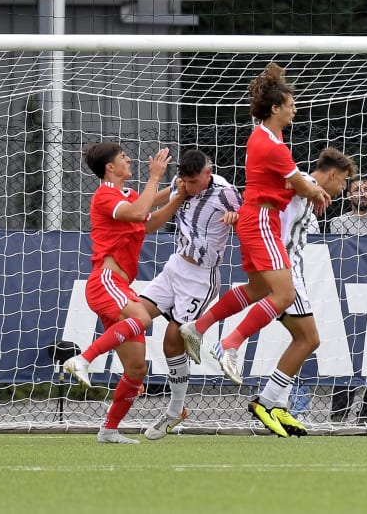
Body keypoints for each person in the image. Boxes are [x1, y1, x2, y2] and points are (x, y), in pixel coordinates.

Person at [179, 63, 332, 385]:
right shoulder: (273, 146)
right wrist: (315, 190)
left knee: (259, 288)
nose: (295, 109)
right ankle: (229, 345)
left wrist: (276, 78)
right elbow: (302, 187)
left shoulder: (263, 133)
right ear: (275, 108)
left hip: (256, 218)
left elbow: (291, 183)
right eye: (290, 105)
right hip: (262, 219)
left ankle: (197, 327)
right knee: (285, 295)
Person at [61, 143, 173, 443]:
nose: (129, 159)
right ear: (110, 167)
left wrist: (180, 193)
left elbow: (149, 220)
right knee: (142, 317)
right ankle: (82, 359)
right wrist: (156, 178)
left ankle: (109, 429)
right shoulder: (105, 195)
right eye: (123, 157)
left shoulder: (128, 195)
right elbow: (139, 213)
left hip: (119, 287)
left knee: (136, 368)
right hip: (105, 282)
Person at [247, 147, 355, 437]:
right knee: (309, 338)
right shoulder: (302, 182)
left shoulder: (307, 189)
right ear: (333, 174)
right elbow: (279, 183)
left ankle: (278, 404)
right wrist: (311, 190)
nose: (343, 188)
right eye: (343, 182)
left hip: (289, 270)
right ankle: (265, 402)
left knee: (302, 338)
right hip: (283, 270)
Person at [137, 149, 242, 440]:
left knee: (172, 341)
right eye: (185, 181)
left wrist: (237, 218)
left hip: (201, 277)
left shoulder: (226, 193)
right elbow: (153, 210)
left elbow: (250, 219)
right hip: (174, 267)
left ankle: (175, 409)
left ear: (207, 174)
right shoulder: (181, 185)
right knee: (133, 315)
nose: (189, 187)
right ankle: (132, 378)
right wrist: (147, 200)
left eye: (193, 182)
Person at [328, 177, 367, 422]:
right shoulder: (338, 223)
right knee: (346, 356)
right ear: (348, 196)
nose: (363, 194)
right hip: (348, 297)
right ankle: (339, 413)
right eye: (357, 190)